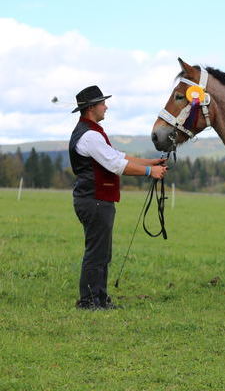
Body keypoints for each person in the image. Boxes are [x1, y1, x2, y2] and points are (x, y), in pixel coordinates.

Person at [69, 85, 167, 310]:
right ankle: (89, 301)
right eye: (102, 103)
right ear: (91, 108)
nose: (106, 106)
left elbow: (117, 156)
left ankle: (99, 299)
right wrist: (149, 172)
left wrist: (150, 163)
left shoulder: (90, 132)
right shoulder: (90, 135)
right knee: (97, 253)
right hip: (94, 200)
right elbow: (115, 164)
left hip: (96, 199)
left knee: (102, 252)